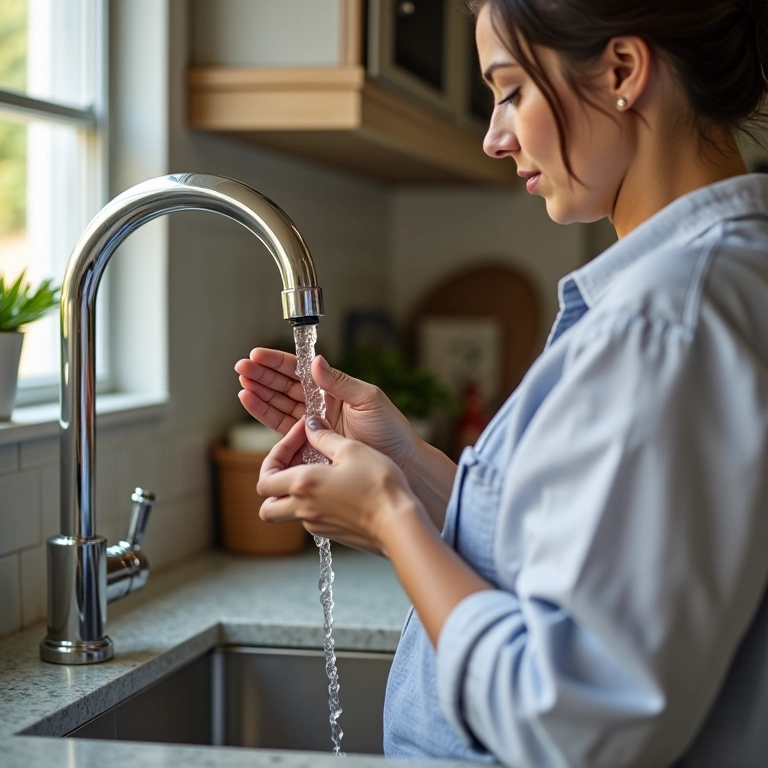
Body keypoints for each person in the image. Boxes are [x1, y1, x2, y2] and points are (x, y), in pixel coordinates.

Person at [234, 0, 768, 765]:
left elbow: (573, 720)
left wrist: (389, 517)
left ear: (623, 70)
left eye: (511, 90)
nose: (493, 136)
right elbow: (597, 555)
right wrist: (412, 471)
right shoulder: (715, 283)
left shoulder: (665, 322)